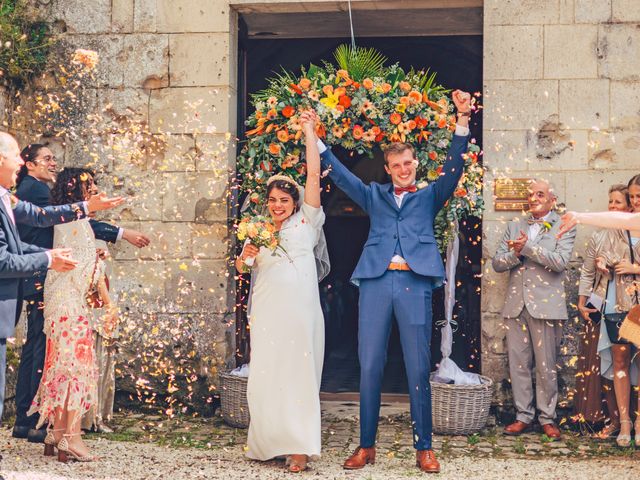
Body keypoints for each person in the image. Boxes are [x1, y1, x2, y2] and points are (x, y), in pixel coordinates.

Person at [301, 90, 471, 474]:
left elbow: (454, 167)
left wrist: (462, 120)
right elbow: (340, 174)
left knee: (416, 365)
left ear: (414, 164)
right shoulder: (373, 194)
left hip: (415, 283)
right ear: (389, 168)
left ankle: (424, 448)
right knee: (370, 365)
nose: (404, 169)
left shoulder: (430, 195)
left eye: (409, 163)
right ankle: (366, 446)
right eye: (397, 165)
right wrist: (312, 133)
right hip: (376, 281)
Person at [12, 143, 150, 443]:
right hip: (51, 282)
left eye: (54, 158)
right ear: (29, 164)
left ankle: (33, 421)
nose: (53, 164)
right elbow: (72, 222)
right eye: (46, 159)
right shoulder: (35, 191)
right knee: (48, 354)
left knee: (41, 350)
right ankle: (40, 422)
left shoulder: (32, 190)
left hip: (49, 281)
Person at [0, 131, 122, 427]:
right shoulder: (22, 190)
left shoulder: (8, 197)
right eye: (16, 155)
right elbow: (3, 260)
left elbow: (40, 216)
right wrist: (48, 259)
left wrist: (87, 208)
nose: (20, 161)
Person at [237, 113, 328, 473]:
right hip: (267, 310)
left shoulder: (308, 221)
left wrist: (309, 131)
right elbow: (244, 268)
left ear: (294, 202)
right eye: (273, 200)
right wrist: (244, 258)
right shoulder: (256, 227)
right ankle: (270, 442)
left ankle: (300, 448)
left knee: (300, 373)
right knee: (267, 373)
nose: (277, 205)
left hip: (300, 311)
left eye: (283, 200)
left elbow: (313, 174)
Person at [28, 167, 119, 462]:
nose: (93, 190)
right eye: (88, 185)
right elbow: (81, 264)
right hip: (68, 304)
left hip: (62, 302)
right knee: (76, 369)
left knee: (62, 366)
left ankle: (56, 431)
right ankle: (71, 437)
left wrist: (96, 255)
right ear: (74, 190)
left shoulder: (69, 219)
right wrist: (107, 299)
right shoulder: (74, 220)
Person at [492, 179, 576, 440]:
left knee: (546, 365)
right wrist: (516, 255)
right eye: (531, 194)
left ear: (552, 199)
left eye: (540, 194)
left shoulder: (564, 225)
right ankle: (523, 416)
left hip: (546, 306)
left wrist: (528, 248)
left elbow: (560, 262)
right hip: (516, 306)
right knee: (518, 364)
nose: (534, 198)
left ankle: (547, 418)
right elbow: (497, 262)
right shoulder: (514, 226)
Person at [589, 175, 640, 447]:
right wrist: (602, 263)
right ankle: (625, 422)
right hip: (618, 303)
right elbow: (605, 253)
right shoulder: (618, 226)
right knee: (620, 362)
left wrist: (635, 269)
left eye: (639, 196)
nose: (634, 201)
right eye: (632, 196)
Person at [575, 184, 629, 438]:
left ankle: (630, 421)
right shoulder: (598, 236)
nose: (612, 207)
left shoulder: (631, 234)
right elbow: (587, 272)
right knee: (604, 364)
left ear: (629, 206)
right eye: (611, 202)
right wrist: (582, 300)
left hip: (627, 307)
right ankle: (613, 419)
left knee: (627, 365)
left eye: (618, 202)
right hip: (601, 305)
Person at [81, 240, 119, 433]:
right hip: (90, 310)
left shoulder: (97, 236)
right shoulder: (79, 234)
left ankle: (95, 416)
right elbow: (97, 275)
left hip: (93, 308)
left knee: (98, 363)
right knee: (93, 364)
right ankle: (88, 418)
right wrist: (109, 306)